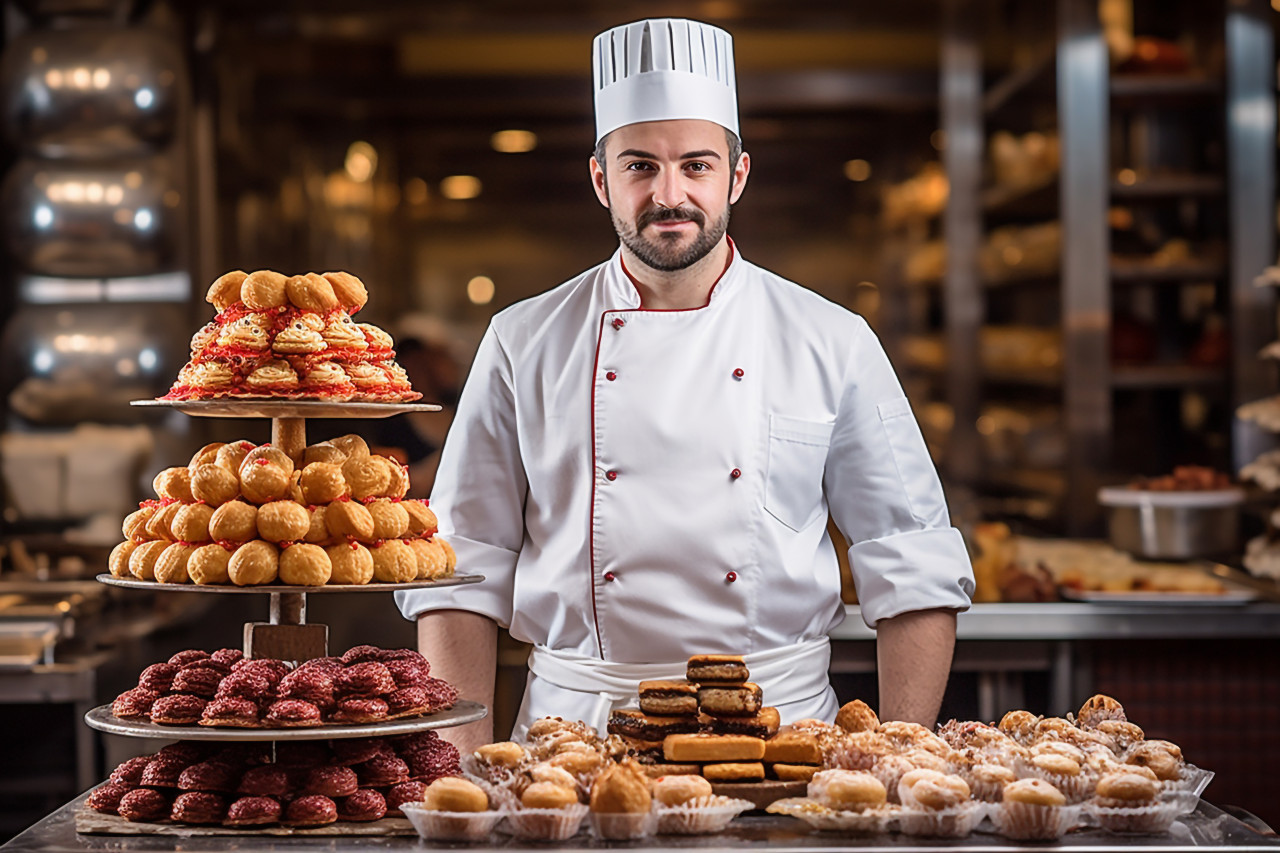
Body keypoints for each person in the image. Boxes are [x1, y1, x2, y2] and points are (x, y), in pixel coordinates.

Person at [396, 18, 974, 752]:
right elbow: (461, 567)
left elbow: (911, 557)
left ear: (737, 176)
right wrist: (468, 769)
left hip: (782, 733)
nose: (670, 195)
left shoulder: (831, 338)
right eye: (640, 165)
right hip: (573, 739)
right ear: (602, 179)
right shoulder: (522, 339)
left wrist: (896, 762)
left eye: (696, 165)